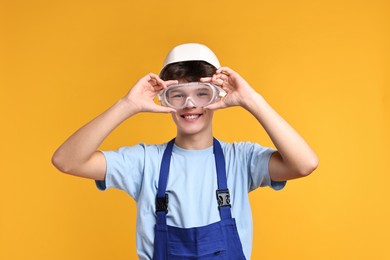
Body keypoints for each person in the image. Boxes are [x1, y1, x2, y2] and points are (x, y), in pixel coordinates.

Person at [52, 43, 318, 259]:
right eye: (177, 94)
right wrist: (127, 105)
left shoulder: (241, 160)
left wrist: (252, 100)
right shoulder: (145, 162)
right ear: (165, 100)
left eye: (202, 93)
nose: (190, 104)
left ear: (218, 96)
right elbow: (66, 161)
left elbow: (304, 164)